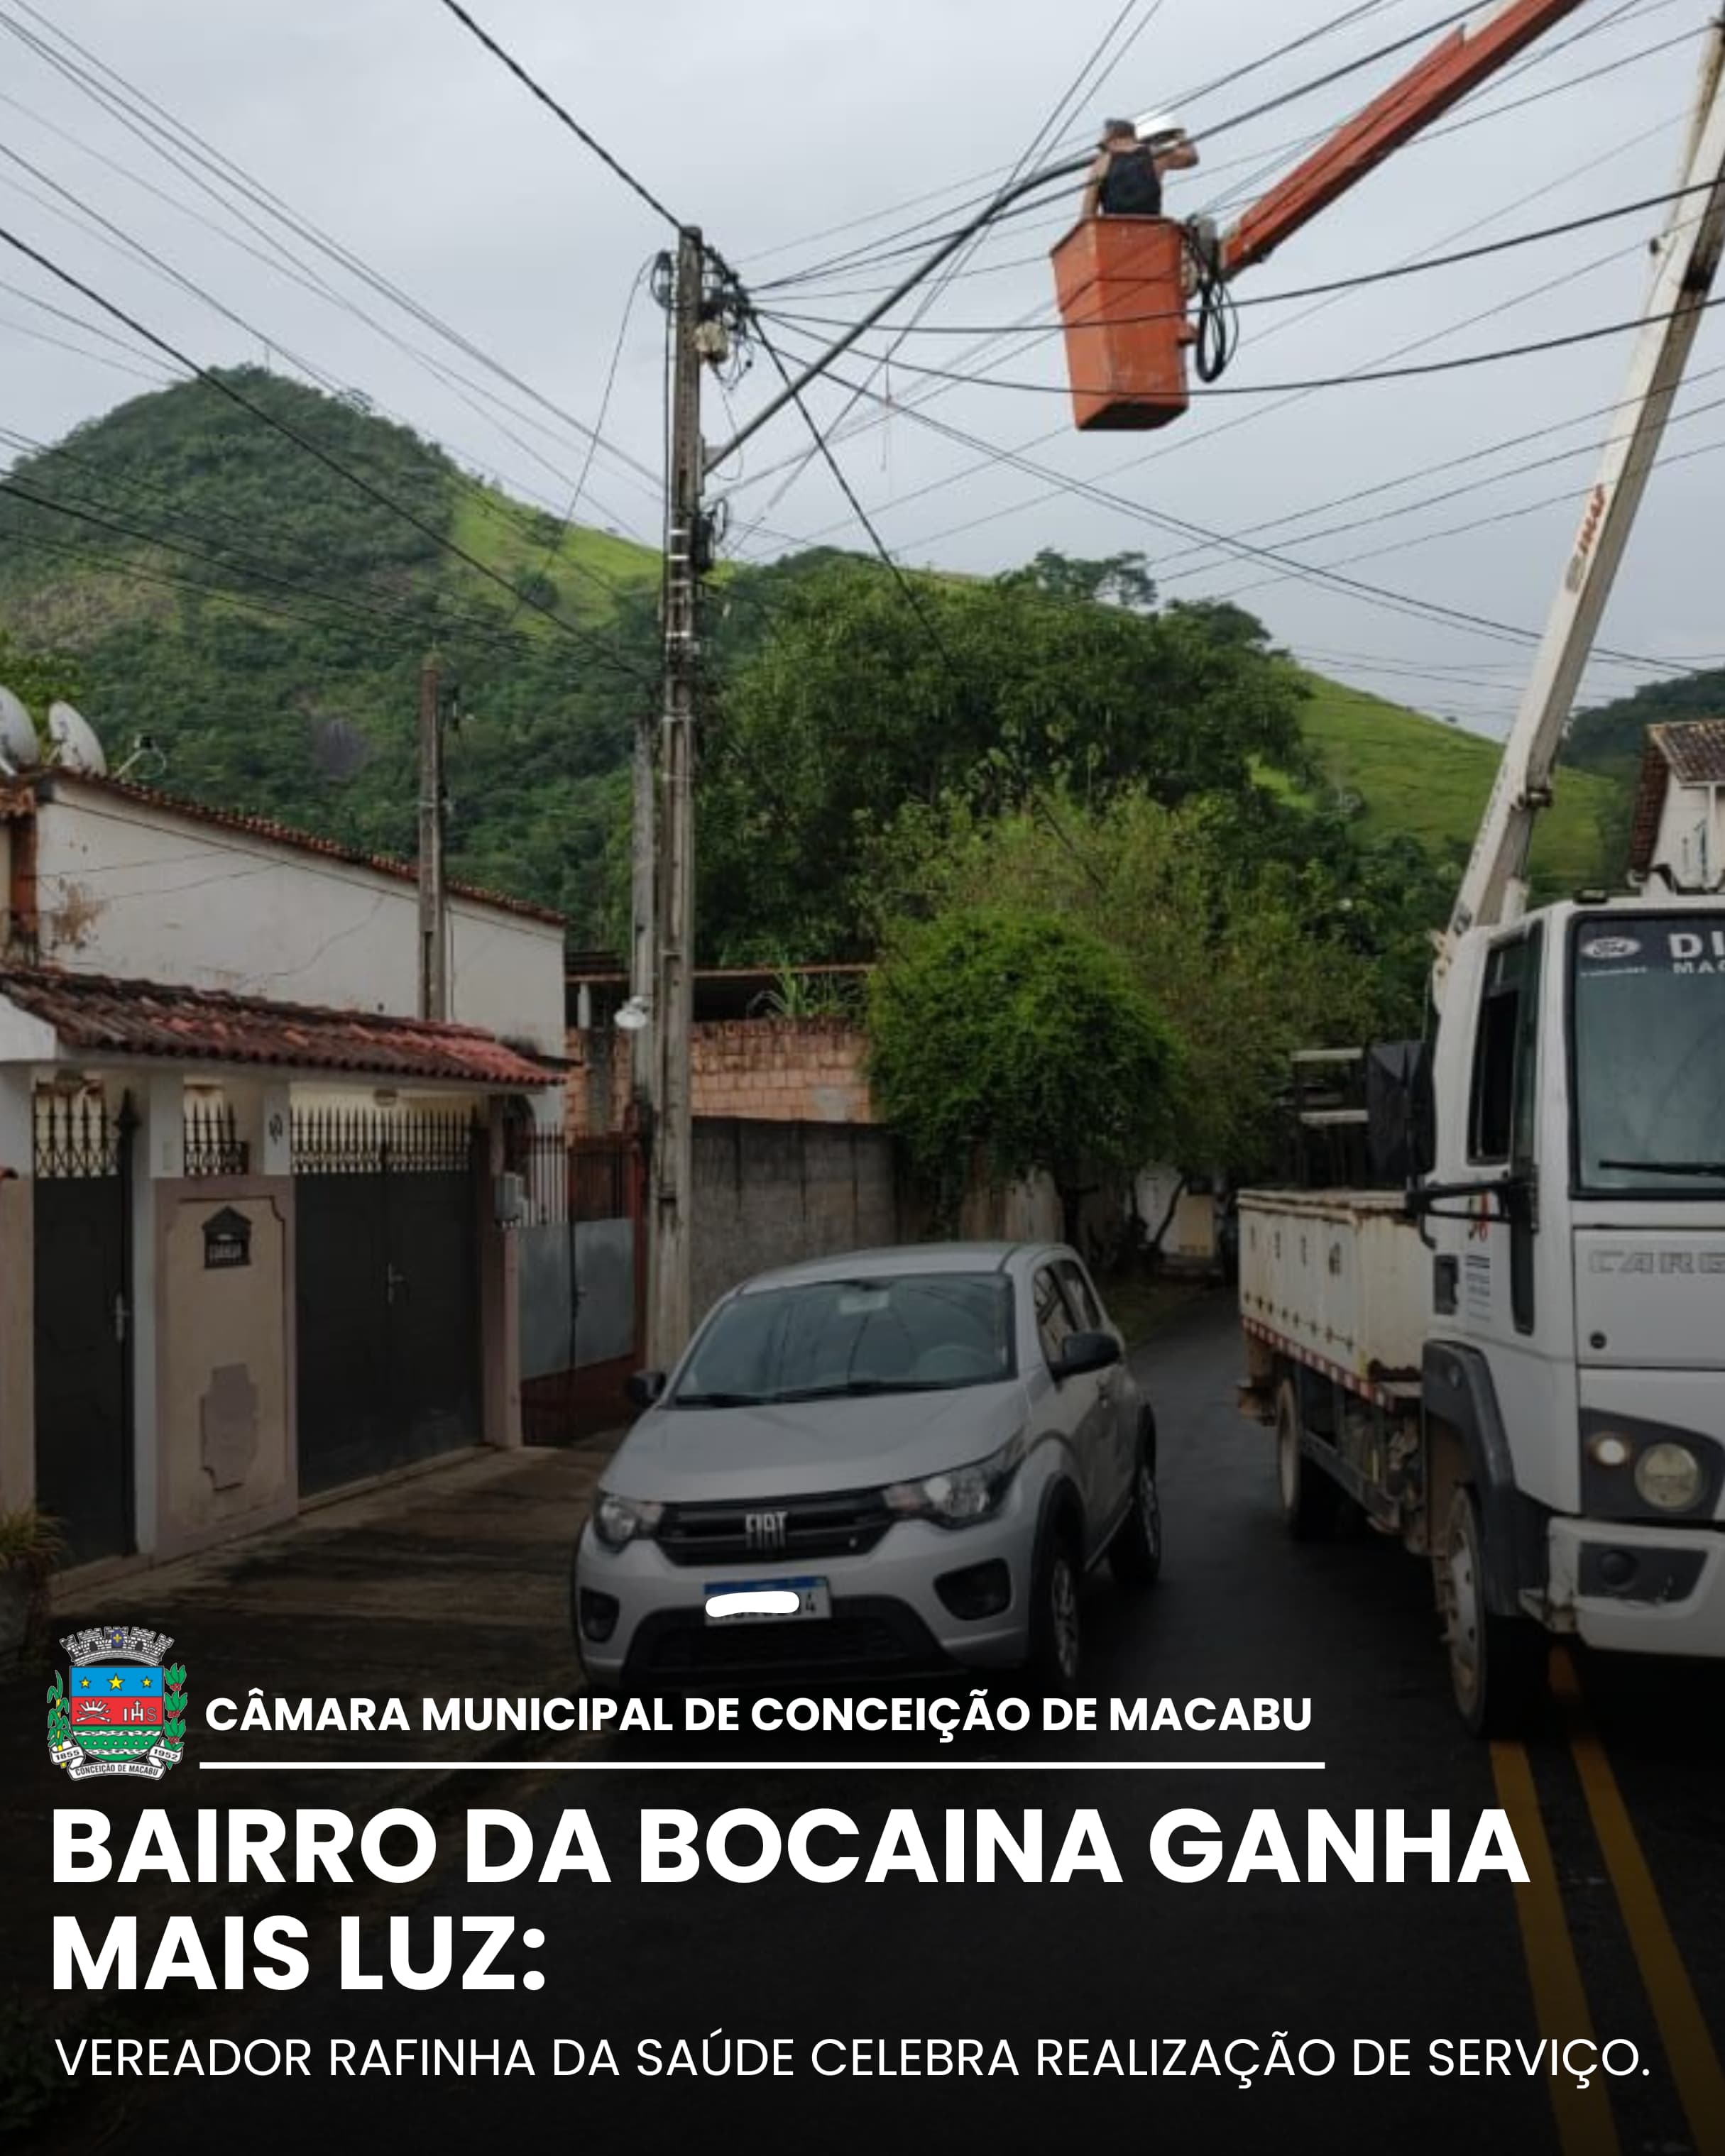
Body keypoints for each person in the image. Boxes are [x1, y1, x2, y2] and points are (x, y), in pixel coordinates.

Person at [1081, 115, 1198, 220]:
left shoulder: (1101, 164)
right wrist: (1180, 135)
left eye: (1103, 146)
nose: (1103, 151)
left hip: (1114, 232)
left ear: (1113, 140)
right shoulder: (1157, 155)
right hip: (1151, 228)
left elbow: (1087, 213)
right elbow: (1191, 158)